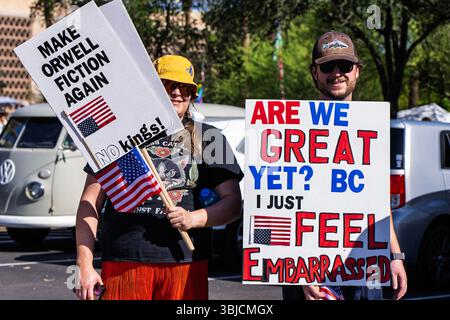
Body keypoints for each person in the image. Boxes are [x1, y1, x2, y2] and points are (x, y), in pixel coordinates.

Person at [75, 55, 243, 300]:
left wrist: (193, 219)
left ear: (193, 95)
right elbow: (89, 204)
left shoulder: (209, 137)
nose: (177, 93)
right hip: (124, 260)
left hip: (186, 263)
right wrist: (84, 265)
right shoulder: (118, 135)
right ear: (150, 88)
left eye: (186, 88)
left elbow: (232, 204)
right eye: (168, 85)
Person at [282, 31, 408, 300]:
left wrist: (395, 256)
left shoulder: (371, 129)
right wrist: (299, 270)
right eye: (328, 66)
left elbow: (378, 201)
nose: (337, 73)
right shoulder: (293, 129)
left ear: (357, 72)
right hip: (308, 271)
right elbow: (285, 207)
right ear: (315, 72)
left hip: (365, 265)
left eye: (345, 66)